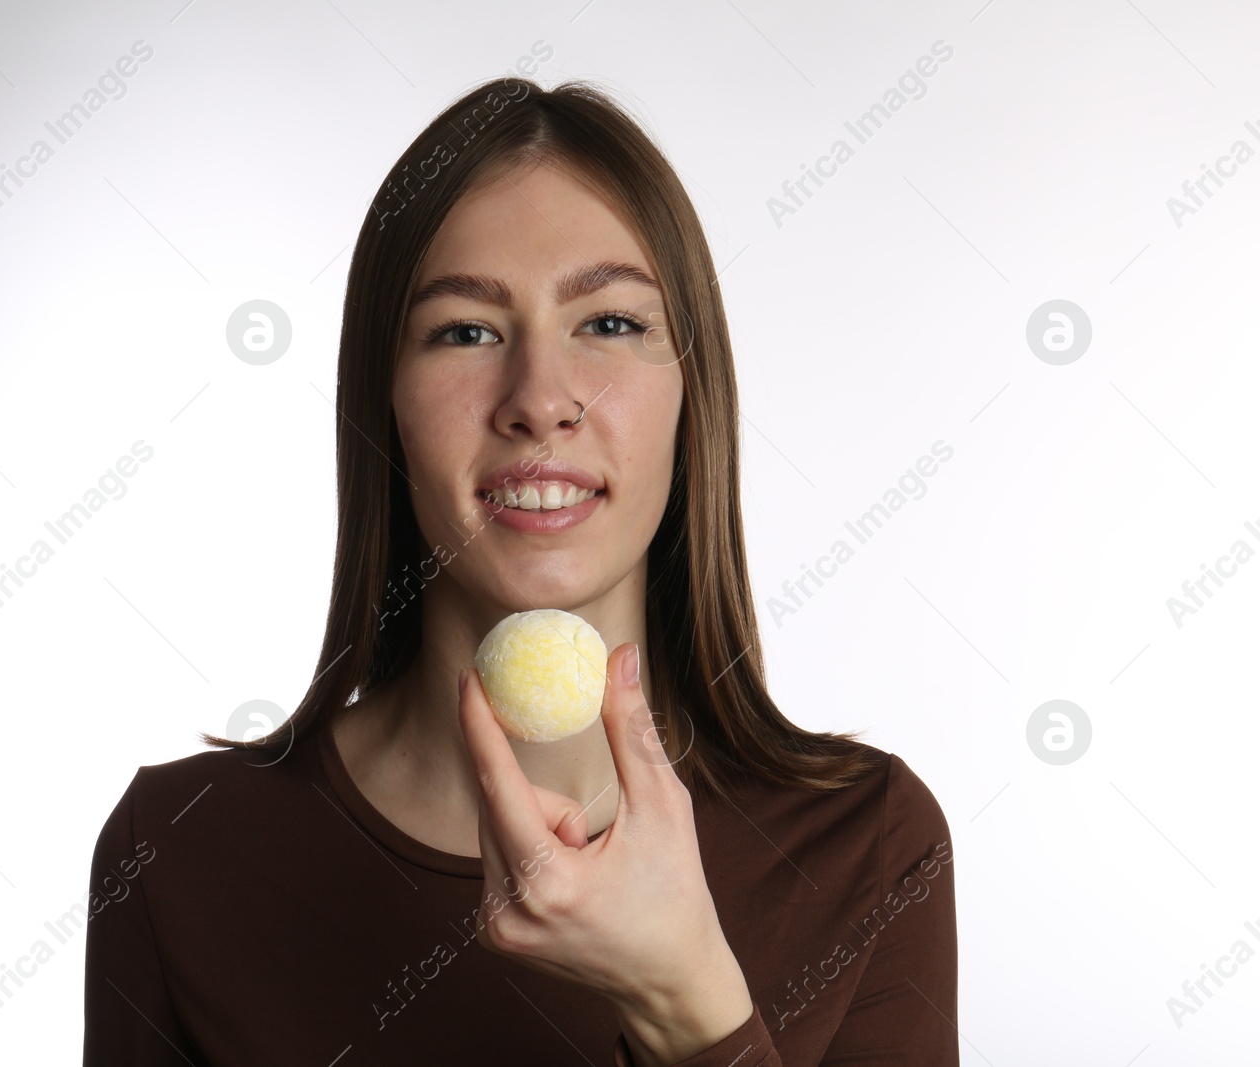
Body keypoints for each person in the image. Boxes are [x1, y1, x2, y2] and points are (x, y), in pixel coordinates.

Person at [82, 76, 957, 1066]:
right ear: (384, 405)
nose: (540, 399)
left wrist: (689, 998)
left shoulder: (868, 843)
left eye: (610, 323)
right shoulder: (181, 849)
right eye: (465, 331)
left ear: (692, 391)